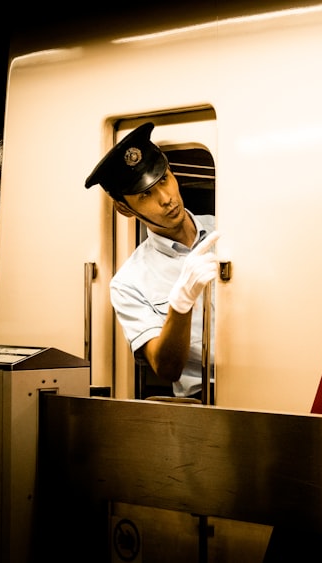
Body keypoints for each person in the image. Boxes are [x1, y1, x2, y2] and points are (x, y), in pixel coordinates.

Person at [85, 122, 221, 399]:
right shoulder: (128, 283)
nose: (166, 198)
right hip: (205, 397)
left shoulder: (227, 228)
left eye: (164, 180)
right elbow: (166, 368)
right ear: (124, 209)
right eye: (145, 194)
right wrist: (180, 304)